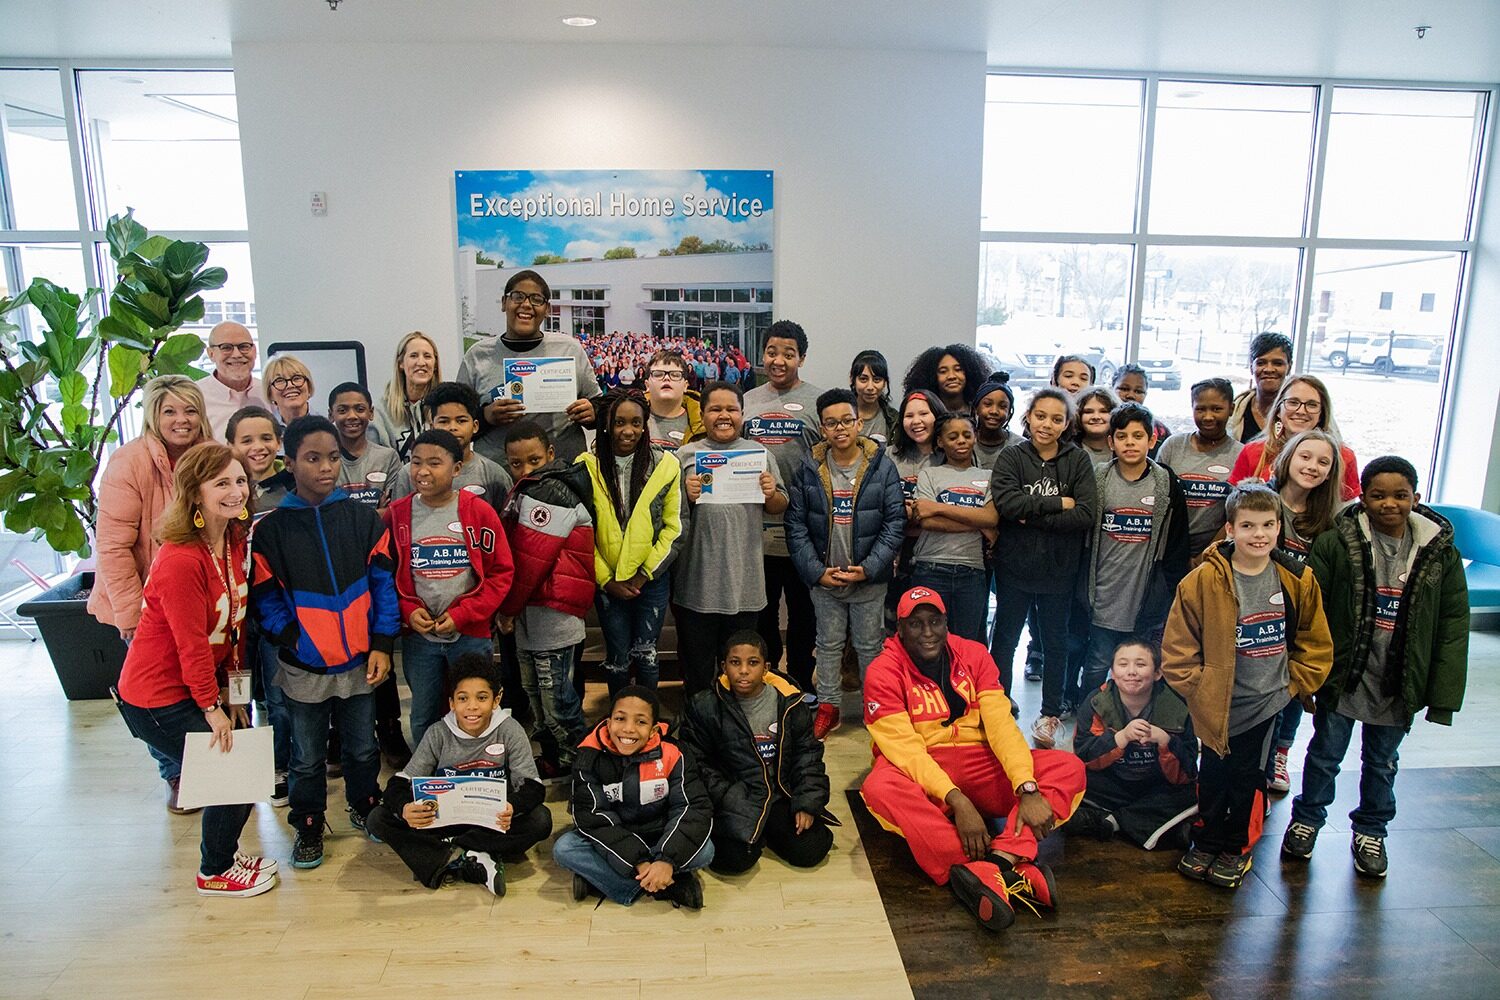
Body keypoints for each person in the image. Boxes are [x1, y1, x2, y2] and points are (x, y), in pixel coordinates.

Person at [1282, 457, 1469, 878]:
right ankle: (1307, 820)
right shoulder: (1335, 543)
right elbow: (1311, 611)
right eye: (1378, 495)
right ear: (1362, 498)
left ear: (1416, 498)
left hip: (1399, 681)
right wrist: (1306, 673)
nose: (1389, 504)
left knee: (1382, 762)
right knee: (1325, 755)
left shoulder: (1440, 553)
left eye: (1400, 495)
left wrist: (1441, 697)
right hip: (1343, 677)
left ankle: (1371, 830)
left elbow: (1453, 625)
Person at [860, 587, 1086, 932]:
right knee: (879, 788)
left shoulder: (974, 655)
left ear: (946, 623)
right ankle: (984, 867)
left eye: (935, 622)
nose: (927, 632)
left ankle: (1001, 860)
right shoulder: (882, 671)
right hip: (926, 769)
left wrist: (1026, 787)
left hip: (980, 759)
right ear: (900, 629)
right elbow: (905, 750)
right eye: (915, 624)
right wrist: (956, 799)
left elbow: (1001, 726)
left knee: (1068, 768)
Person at [114, 442, 276, 897]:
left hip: (199, 687)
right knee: (232, 775)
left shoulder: (232, 541)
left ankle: (225, 854)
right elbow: (191, 645)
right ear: (194, 493)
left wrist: (234, 697)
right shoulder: (181, 558)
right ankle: (214, 870)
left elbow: (234, 626)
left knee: (244, 766)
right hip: (156, 698)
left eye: (240, 480)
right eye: (221, 483)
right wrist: (211, 707)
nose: (236, 491)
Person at [1162, 482, 1333, 889]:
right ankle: (1206, 841)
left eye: (1268, 525)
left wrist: (1291, 686)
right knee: (1212, 776)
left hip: (1266, 704)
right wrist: (1200, 688)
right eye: (1248, 526)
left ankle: (1236, 847)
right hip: (1216, 705)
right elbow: (1177, 649)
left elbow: (1315, 642)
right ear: (1230, 529)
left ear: (1279, 528)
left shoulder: (1298, 579)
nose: (1259, 534)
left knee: (1248, 780)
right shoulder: (1201, 581)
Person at [250, 415, 400, 870]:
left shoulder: (363, 520)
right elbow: (265, 599)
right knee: (307, 757)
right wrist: (294, 639)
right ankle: (309, 823)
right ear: (290, 463)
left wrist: (381, 643)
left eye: (333, 458)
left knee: (362, 747)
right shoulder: (271, 531)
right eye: (313, 459)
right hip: (304, 667)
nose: (326, 468)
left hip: (360, 663)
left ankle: (365, 804)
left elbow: (384, 587)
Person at [90, 374, 212, 812]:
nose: (182, 420)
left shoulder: (209, 457)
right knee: (158, 693)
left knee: (197, 683)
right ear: (153, 416)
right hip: (144, 604)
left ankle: (209, 769)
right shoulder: (129, 462)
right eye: (170, 411)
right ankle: (175, 771)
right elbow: (112, 547)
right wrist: (131, 614)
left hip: (198, 598)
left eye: (190, 410)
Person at [364, 654, 553, 893]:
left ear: (496, 699)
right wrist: (405, 809)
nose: (472, 707)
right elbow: (400, 782)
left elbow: (533, 786)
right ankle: (476, 855)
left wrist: (512, 807)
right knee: (377, 818)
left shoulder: (509, 730)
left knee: (540, 820)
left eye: (482, 698)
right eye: (463, 698)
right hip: (445, 821)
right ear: (452, 703)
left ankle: (447, 854)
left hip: (493, 822)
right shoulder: (438, 733)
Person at [785, 388, 905, 738]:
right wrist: (816, 572)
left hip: (868, 579)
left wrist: (870, 567)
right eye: (831, 423)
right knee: (827, 645)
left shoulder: (882, 466)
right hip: (826, 579)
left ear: (859, 423)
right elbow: (796, 525)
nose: (840, 428)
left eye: (846, 421)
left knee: (870, 646)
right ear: (822, 428)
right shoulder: (809, 468)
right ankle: (829, 707)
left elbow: (894, 522)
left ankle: (874, 708)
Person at [385, 429, 513, 748]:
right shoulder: (397, 515)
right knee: (424, 712)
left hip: (469, 634)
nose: (423, 471)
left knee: (475, 710)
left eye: (434, 463)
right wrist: (407, 610)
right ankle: (429, 770)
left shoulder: (478, 512)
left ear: (456, 469)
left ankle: (473, 766)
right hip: (420, 638)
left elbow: (500, 572)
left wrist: (463, 614)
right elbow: (384, 576)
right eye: (416, 462)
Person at [989, 388, 1097, 747]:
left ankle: (1050, 713)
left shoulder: (1078, 460)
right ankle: (999, 705)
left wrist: (1031, 514)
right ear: (1028, 417)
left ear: (1067, 424)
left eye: (1056, 418)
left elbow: (1085, 514)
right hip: (1014, 568)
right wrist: (1058, 503)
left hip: (1059, 570)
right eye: (1040, 416)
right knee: (1005, 639)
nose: (1046, 424)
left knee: (1055, 643)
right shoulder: (1011, 456)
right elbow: (1007, 504)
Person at [680, 630, 838, 874]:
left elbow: (808, 756)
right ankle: (757, 831)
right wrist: (730, 798)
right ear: (723, 667)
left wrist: (806, 803)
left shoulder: (790, 702)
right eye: (735, 662)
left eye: (752, 663)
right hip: (734, 796)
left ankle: (765, 828)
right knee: (732, 862)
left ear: (766, 668)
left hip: (778, 794)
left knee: (811, 849)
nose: (743, 670)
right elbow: (696, 763)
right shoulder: (704, 705)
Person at [553, 686, 715, 909]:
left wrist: (666, 859)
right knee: (565, 849)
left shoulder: (674, 752)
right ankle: (665, 886)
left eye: (640, 722)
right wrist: (639, 862)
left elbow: (691, 807)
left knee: (706, 850)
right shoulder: (588, 756)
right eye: (620, 719)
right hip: (614, 837)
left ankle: (608, 880)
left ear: (653, 730)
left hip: (660, 834)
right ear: (608, 723)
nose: (628, 729)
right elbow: (594, 819)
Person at [675, 381, 789, 694]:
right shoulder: (685, 456)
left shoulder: (759, 455)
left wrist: (771, 492)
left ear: (742, 414)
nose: (723, 415)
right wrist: (685, 494)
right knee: (698, 673)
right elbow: (667, 513)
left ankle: (736, 720)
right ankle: (700, 719)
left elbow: (780, 504)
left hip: (744, 586)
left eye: (731, 409)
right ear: (703, 414)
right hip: (696, 585)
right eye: (715, 409)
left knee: (740, 674)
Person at [498, 421, 595, 775]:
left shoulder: (550, 491)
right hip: (533, 613)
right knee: (536, 695)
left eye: (534, 460)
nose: (525, 469)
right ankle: (556, 759)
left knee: (558, 702)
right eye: (516, 463)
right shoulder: (529, 489)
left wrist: (507, 610)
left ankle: (583, 769)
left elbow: (529, 564)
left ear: (551, 454)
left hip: (553, 614)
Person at [1079, 403, 1190, 698]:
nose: (1130, 443)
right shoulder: (1098, 479)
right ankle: (1087, 712)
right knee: (1098, 661)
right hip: (1103, 593)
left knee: (1139, 664)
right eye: (1122, 436)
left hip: (1144, 595)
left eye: (1138, 436)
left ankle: (1134, 712)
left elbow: (1178, 541)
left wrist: (1167, 588)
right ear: (1111, 441)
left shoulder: (1166, 483)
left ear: (1152, 440)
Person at [578, 389, 684, 694]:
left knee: (647, 655)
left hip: (650, 580)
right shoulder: (586, 465)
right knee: (618, 658)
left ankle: (648, 714)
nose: (628, 431)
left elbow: (675, 528)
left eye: (636, 423)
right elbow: (581, 531)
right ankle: (618, 715)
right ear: (606, 424)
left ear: (645, 424)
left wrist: (644, 574)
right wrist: (606, 580)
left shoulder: (666, 465)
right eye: (619, 422)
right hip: (608, 582)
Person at [1261, 428, 1346, 793]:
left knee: (1295, 690)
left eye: (1323, 462)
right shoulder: (1260, 500)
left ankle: (1280, 753)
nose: (1312, 466)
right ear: (1288, 458)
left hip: (1299, 622)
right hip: (1257, 615)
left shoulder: (1330, 522)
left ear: (1330, 473)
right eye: (1305, 457)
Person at [743, 320, 823, 689]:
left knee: (804, 610)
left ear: (801, 358)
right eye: (772, 352)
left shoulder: (817, 402)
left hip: (804, 527)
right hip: (756, 527)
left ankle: (802, 683)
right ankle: (770, 680)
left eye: (788, 354)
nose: (779, 360)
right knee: (763, 609)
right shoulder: (747, 401)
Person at [457, 269, 600, 466]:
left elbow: (600, 406)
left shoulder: (569, 349)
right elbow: (455, 421)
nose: (526, 304)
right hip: (498, 474)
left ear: (547, 309)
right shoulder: (477, 355)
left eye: (536, 299)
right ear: (504, 303)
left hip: (563, 473)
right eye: (518, 296)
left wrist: (592, 412)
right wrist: (486, 416)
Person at [1070, 637, 1199, 850]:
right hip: (1110, 785)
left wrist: (1166, 741)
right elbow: (1083, 757)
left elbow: (1188, 772)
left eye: (1141, 664)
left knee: (1197, 792)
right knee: (1069, 778)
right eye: (1123, 664)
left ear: (1157, 673)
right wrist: (1120, 738)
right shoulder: (1096, 702)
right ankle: (1150, 824)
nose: (1131, 672)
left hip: (1155, 788)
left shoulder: (1177, 706)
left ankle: (1112, 822)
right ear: (1112, 672)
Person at [227, 404, 294, 802]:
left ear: (279, 441)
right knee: (236, 694)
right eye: (246, 440)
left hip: (274, 610)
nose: (258, 447)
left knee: (279, 698)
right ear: (231, 445)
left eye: (266, 438)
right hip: (231, 617)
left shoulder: (291, 490)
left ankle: (279, 766)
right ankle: (239, 768)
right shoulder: (223, 491)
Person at [911, 412, 999, 645]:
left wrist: (937, 507)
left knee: (966, 645)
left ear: (975, 437)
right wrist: (977, 523)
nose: (961, 441)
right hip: (930, 568)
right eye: (953, 437)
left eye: (966, 435)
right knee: (927, 643)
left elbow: (991, 518)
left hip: (971, 573)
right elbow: (927, 521)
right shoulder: (929, 474)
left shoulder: (988, 477)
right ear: (940, 441)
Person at [1229, 375, 1361, 500]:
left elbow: (1347, 511)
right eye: (1293, 402)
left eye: (1311, 405)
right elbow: (1234, 506)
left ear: (1322, 413)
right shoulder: (1252, 452)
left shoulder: (1343, 457)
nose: (1301, 411)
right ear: (1278, 410)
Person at [389, 381, 514, 507]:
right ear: (432, 426)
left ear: (475, 426)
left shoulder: (494, 474)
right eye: (444, 421)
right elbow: (396, 515)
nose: (452, 427)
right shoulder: (409, 475)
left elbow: (506, 518)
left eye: (461, 421)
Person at [1157, 378, 1243, 558]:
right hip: (1169, 550)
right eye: (1200, 409)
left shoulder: (1241, 454)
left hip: (1217, 553)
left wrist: (1207, 555)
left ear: (1231, 409)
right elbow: (1158, 500)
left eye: (1217, 409)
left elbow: (1238, 514)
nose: (1208, 416)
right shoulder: (1172, 446)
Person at [330, 382, 402, 510]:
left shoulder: (388, 458)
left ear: (371, 412)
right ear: (331, 415)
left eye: (360, 409)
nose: (352, 416)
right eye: (342, 410)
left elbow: (392, 512)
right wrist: (375, 512)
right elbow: (328, 513)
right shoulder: (325, 461)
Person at [372, 330, 441, 460]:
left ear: (435, 364)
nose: (421, 362)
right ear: (401, 363)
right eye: (414, 356)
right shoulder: (381, 411)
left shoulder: (445, 406)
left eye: (427, 356)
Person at [198, 321, 262, 440]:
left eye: (244, 347)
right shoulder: (195, 397)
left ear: (254, 350)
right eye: (226, 348)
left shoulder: (269, 392)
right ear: (211, 354)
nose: (237, 354)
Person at [1228, 332, 1293, 444]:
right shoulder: (1234, 412)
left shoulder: (1300, 412)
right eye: (1261, 363)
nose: (1269, 369)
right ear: (1251, 367)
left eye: (1277, 363)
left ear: (1289, 367)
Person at [902, 344, 992, 416]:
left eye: (958, 369)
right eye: (943, 371)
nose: (951, 376)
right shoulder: (926, 416)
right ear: (932, 377)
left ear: (969, 373)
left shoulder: (979, 413)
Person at [643, 348, 704, 451]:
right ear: (647, 385)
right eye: (658, 374)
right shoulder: (631, 418)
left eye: (675, 375)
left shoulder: (703, 424)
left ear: (685, 385)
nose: (666, 378)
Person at [1111, 363, 1170, 456]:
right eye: (1124, 389)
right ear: (1112, 389)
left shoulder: (1160, 431)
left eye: (1138, 391)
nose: (1131, 395)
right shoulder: (1102, 426)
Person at [972, 372, 1020, 471]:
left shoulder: (1019, 446)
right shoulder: (965, 443)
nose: (994, 411)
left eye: (1002, 406)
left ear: (1009, 413)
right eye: (988, 404)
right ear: (976, 409)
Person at [850, 349, 898, 444]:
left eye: (877, 380)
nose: (870, 387)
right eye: (863, 379)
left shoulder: (894, 420)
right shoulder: (839, 415)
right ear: (852, 380)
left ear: (885, 383)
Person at [263, 355, 315, 426]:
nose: (290, 385)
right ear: (269, 393)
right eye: (280, 380)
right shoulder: (265, 428)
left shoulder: (326, 427)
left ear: (308, 385)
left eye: (297, 378)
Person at [1072, 386, 1118, 467]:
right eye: (1088, 412)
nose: (1096, 417)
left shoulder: (1123, 449)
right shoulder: (1068, 450)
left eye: (1103, 411)